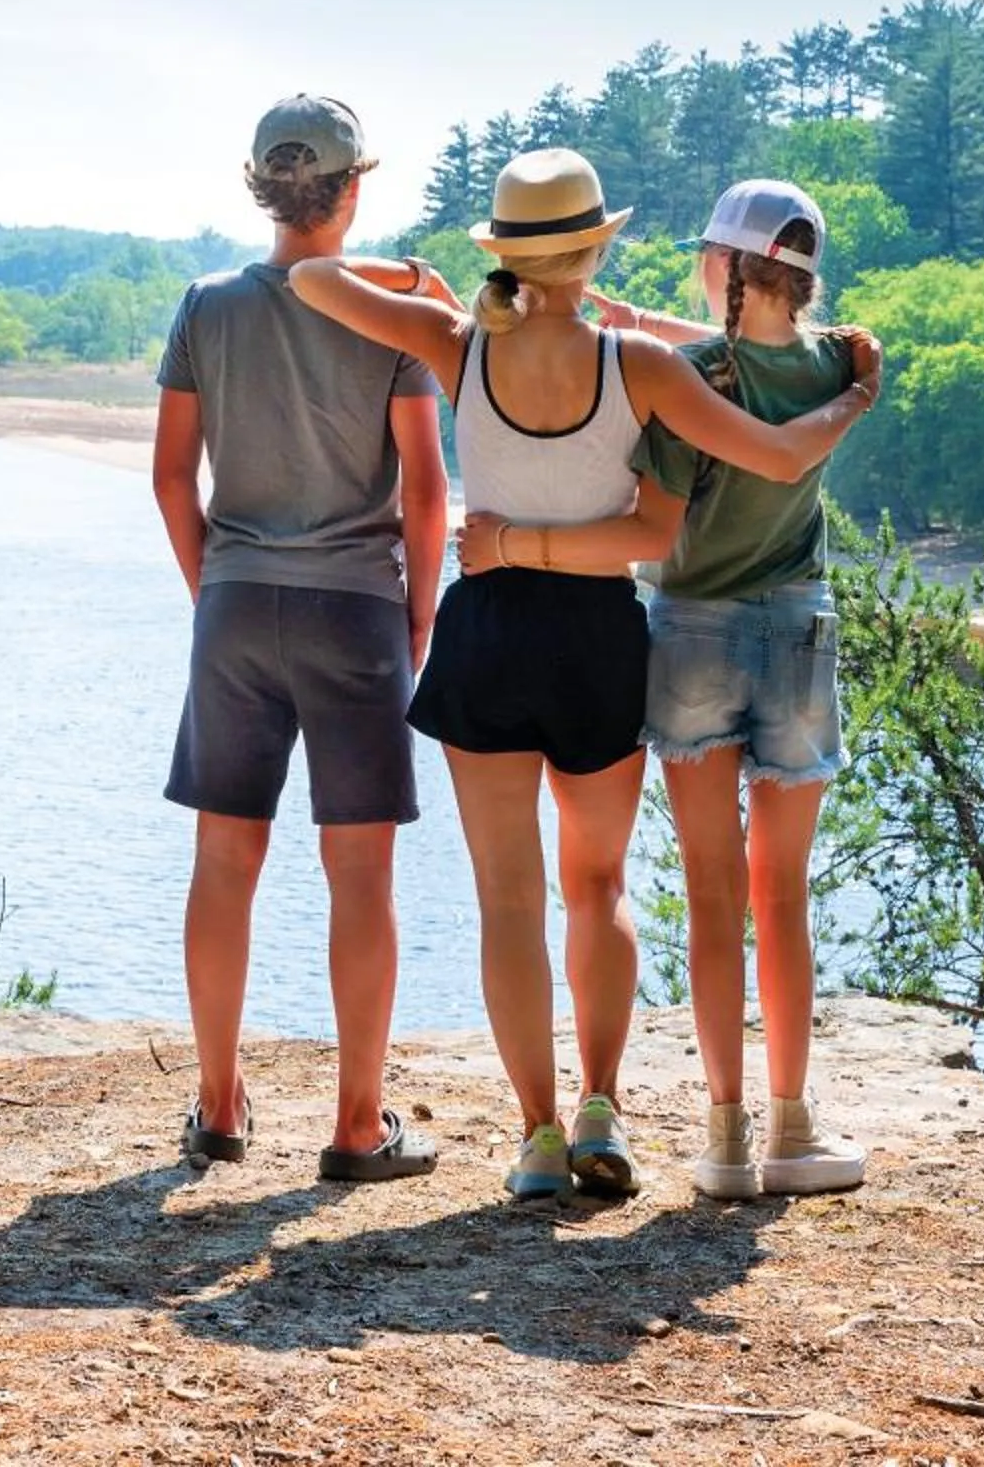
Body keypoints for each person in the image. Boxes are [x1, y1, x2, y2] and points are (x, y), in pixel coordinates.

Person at [287, 151, 878, 1200]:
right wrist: (855, 385)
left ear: (509, 251)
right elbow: (768, 453)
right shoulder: (640, 364)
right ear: (598, 244)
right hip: (600, 635)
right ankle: (605, 1102)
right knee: (596, 883)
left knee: (507, 900)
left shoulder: (456, 344)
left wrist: (429, 281)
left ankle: (540, 1135)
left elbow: (311, 280)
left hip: (488, 634)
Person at [462, 180, 874, 1200]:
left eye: (707, 257)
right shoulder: (836, 366)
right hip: (796, 632)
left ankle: (725, 1137)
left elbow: (693, 400)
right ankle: (792, 1125)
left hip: (689, 633)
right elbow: (775, 370)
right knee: (784, 895)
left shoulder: (684, 376)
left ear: (727, 268)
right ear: (801, 276)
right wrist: (860, 395)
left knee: (710, 889)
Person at [152, 94, 451, 1184]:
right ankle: (357, 1125)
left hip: (236, 602)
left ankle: (221, 1105)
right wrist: (416, 614)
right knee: (360, 870)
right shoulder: (391, 313)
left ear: (262, 186)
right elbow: (426, 489)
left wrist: (213, 588)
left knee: (223, 859)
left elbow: (170, 474)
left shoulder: (206, 303)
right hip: (355, 609)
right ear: (353, 188)